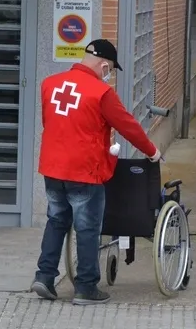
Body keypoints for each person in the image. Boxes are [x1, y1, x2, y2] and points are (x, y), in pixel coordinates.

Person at [33, 40, 160, 306]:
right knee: (87, 228)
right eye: (110, 69)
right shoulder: (101, 93)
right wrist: (151, 151)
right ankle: (86, 287)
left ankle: (44, 277)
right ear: (104, 65)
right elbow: (128, 126)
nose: (109, 74)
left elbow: (51, 123)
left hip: (53, 168)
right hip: (85, 171)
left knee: (56, 221)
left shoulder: (49, 84)